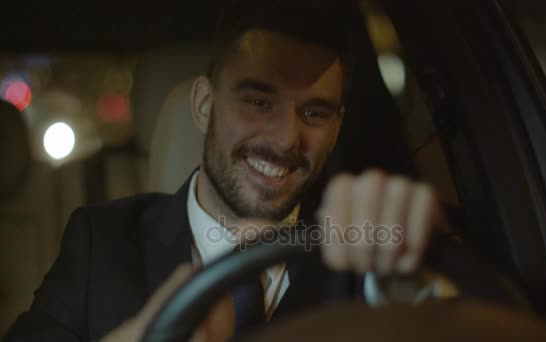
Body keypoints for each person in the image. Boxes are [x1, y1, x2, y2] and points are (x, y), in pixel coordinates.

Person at [4, 1, 446, 341]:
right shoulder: (102, 239)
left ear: (337, 129)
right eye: (258, 102)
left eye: (313, 112)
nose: (285, 140)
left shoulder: (364, 260)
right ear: (203, 105)